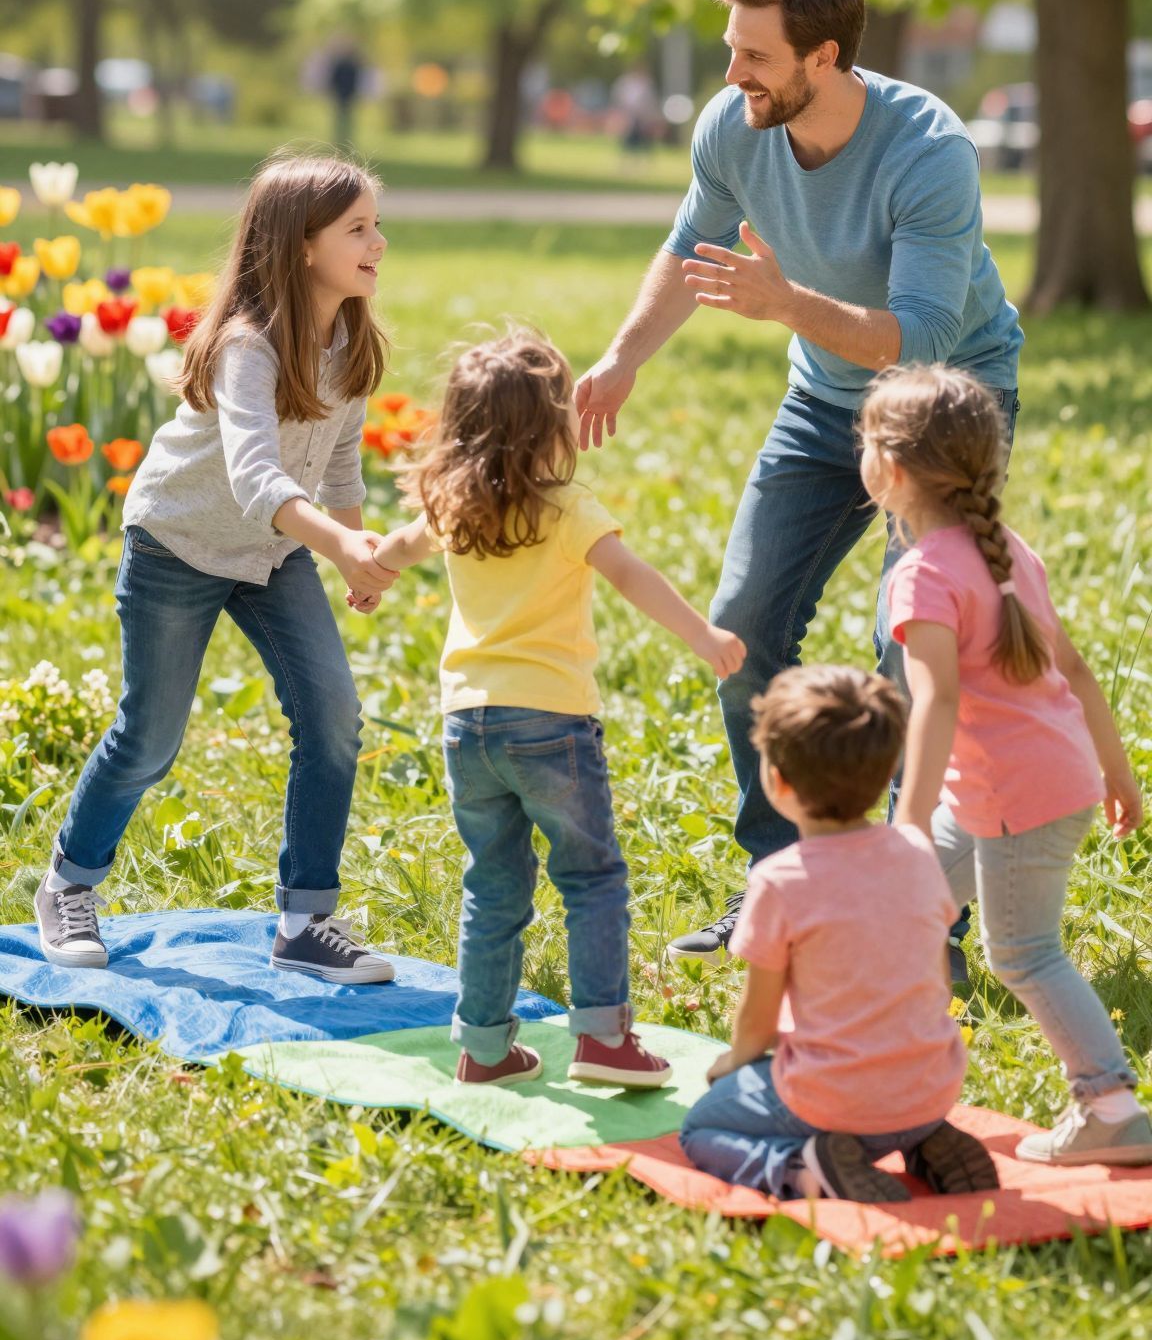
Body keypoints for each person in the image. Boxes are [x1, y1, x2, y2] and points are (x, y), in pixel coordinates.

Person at [575, 0, 1023, 967]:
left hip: (944, 405)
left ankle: (919, 911)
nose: (733, 74)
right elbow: (691, 247)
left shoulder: (929, 151)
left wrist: (784, 304)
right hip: (822, 403)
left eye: (756, 56)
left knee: (912, 653)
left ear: (824, 56)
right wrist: (621, 357)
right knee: (738, 628)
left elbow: (919, 337)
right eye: (732, 49)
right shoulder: (734, 124)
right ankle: (782, 879)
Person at [35, 154, 400, 983]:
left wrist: (357, 555)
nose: (379, 242)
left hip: (271, 555)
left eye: (377, 225)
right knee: (151, 738)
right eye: (358, 229)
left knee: (334, 720)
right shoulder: (247, 347)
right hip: (180, 543)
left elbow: (341, 465)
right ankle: (68, 884)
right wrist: (337, 545)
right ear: (302, 245)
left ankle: (305, 921)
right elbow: (255, 478)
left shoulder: (349, 340)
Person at [375, 327, 747, 1088]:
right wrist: (703, 636)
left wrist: (370, 570)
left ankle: (484, 1049)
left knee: (493, 886)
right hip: (551, 723)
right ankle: (604, 1041)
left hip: (467, 725)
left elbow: (399, 548)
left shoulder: (451, 505)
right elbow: (631, 576)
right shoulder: (568, 508)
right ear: (553, 427)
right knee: (591, 879)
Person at [861, 364, 1152, 1168]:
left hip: (1017, 798)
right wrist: (1116, 772)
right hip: (1030, 784)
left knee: (1022, 952)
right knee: (902, 910)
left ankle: (1112, 1108)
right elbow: (1076, 670)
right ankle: (873, 1060)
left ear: (891, 469)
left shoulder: (922, 574)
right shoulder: (1007, 551)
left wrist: (907, 822)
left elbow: (935, 701)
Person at [680, 665, 994, 1202]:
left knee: (701, 1127)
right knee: (883, 1100)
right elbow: (938, 983)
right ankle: (921, 1139)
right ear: (885, 772)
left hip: (832, 1103)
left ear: (777, 781)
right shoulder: (918, 857)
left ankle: (805, 1169)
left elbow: (757, 1024)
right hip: (929, 1087)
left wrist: (730, 1065)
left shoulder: (779, 882)